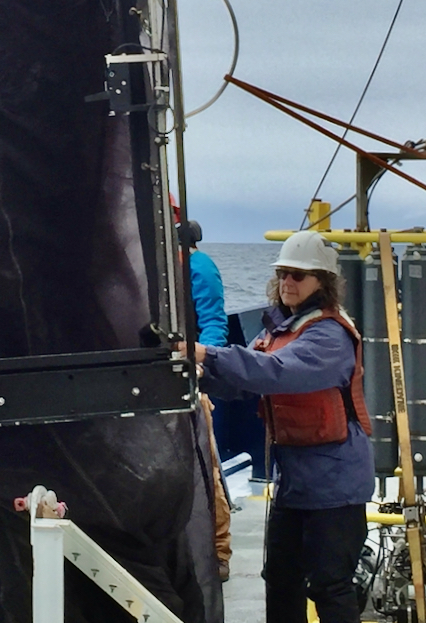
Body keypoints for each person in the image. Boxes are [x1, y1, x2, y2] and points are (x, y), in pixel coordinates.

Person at [181, 230, 374, 623]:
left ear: (322, 283)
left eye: (298, 275)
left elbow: (276, 372)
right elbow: (243, 379)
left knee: (329, 584)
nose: (288, 282)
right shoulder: (279, 330)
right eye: (284, 273)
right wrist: (197, 373)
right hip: (294, 483)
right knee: (281, 578)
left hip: (334, 485)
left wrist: (208, 352)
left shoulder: (329, 334)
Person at [180, 219, 232, 581]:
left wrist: (201, 362)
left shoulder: (198, 267)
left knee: (206, 467)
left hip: (190, 383)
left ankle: (218, 551)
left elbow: (214, 322)